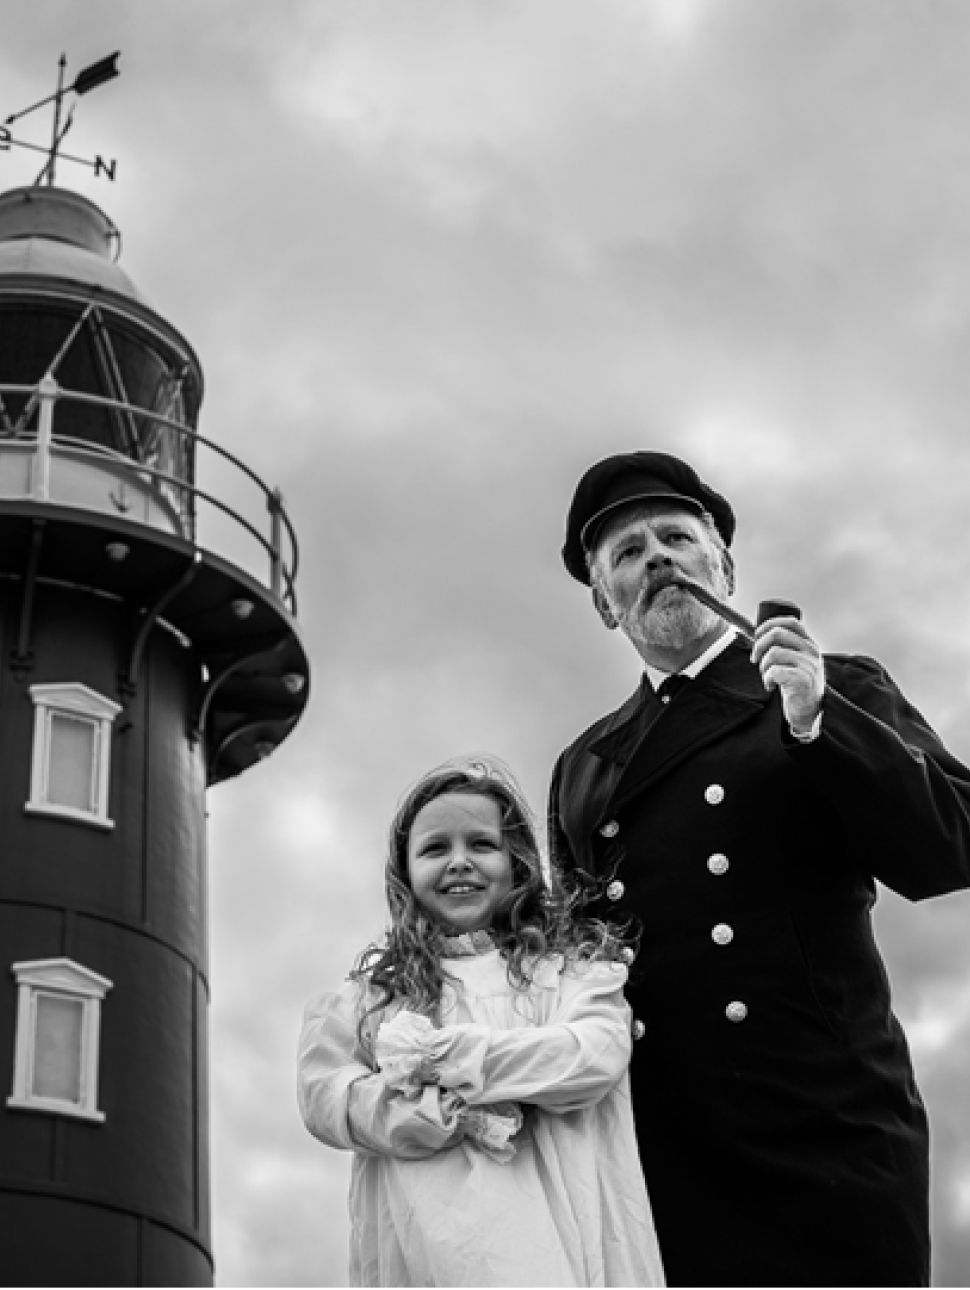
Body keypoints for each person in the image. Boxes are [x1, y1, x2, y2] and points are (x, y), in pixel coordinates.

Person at [548, 450, 970, 1289]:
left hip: (829, 1133)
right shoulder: (585, 766)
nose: (656, 557)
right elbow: (574, 959)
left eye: (675, 536)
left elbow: (949, 847)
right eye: (627, 554)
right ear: (605, 603)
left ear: (724, 566)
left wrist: (817, 721)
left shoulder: (831, 685)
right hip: (670, 1151)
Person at [298, 757, 666, 1289]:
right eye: (434, 848)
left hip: (563, 1239)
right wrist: (443, 1112)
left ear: (517, 861)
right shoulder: (372, 1000)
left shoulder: (570, 970)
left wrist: (438, 1059)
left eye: (482, 844)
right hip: (428, 1245)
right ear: (404, 872)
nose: (459, 862)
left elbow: (590, 1056)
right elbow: (327, 1098)